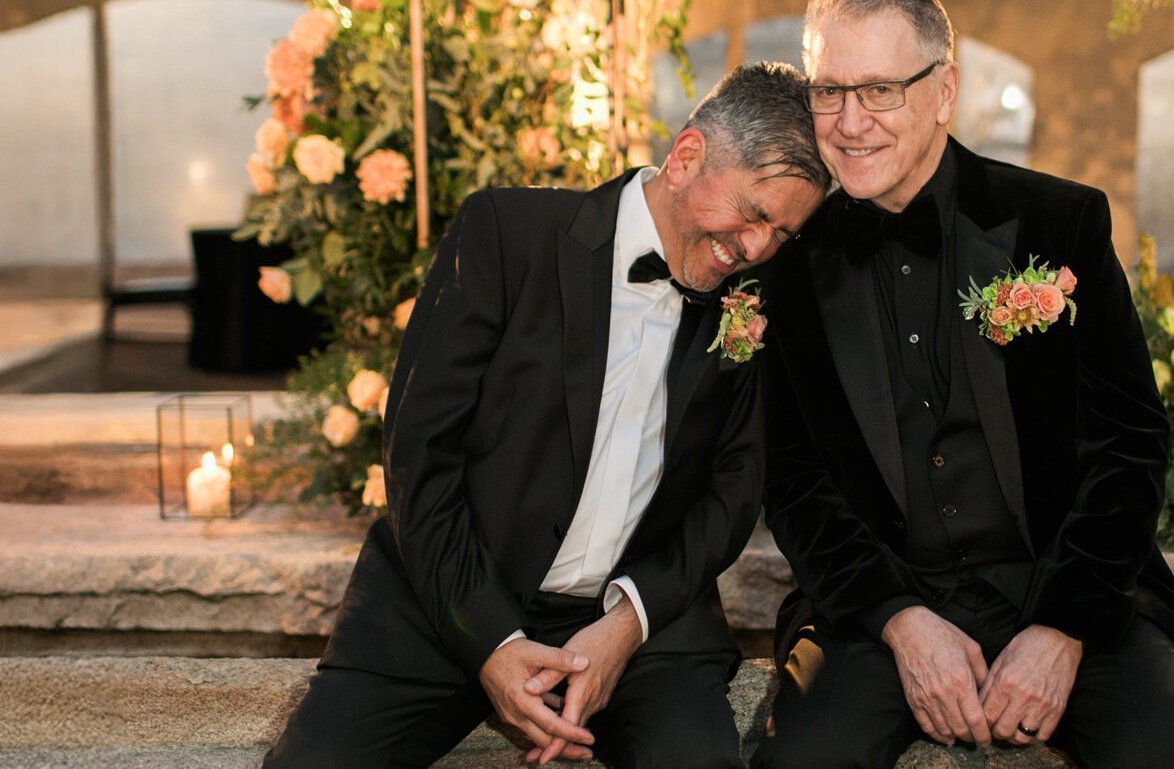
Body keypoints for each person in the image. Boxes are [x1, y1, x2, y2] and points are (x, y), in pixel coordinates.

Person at [264, 62, 829, 768]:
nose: (756, 249)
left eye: (781, 233)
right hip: (451, 595)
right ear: (687, 157)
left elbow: (736, 488)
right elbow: (419, 451)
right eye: (753, 214)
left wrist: (624, 625)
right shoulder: (507, 233)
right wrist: (493, 644)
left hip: (641, 621)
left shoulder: (752, 295)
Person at [751, 0, 1174, 768]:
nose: (851, 122)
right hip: (876, 608)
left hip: (1069, 590)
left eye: (881, 90)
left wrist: (1064, 627)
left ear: (945, 90)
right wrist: (899, 619)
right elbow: (794, 482)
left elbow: (1130, 442)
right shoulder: (787, 268)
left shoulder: (1058, 222)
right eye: (829, 91)